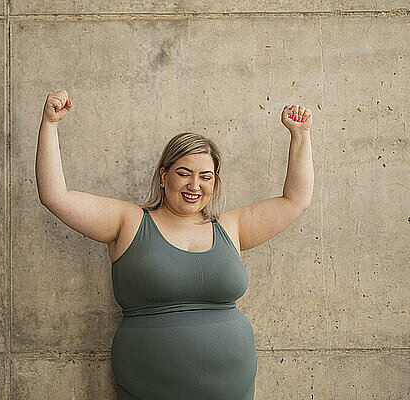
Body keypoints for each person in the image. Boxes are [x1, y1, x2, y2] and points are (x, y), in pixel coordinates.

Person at [36, 90, 314, 399]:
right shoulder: (128, 221)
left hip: (231, 387)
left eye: (205, 177)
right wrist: (50, 124)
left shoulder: (231, 226)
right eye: (184, 173)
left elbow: (295, 201)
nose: (195, 185)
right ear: (163, 175)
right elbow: (55, 197)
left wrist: (299, 136)